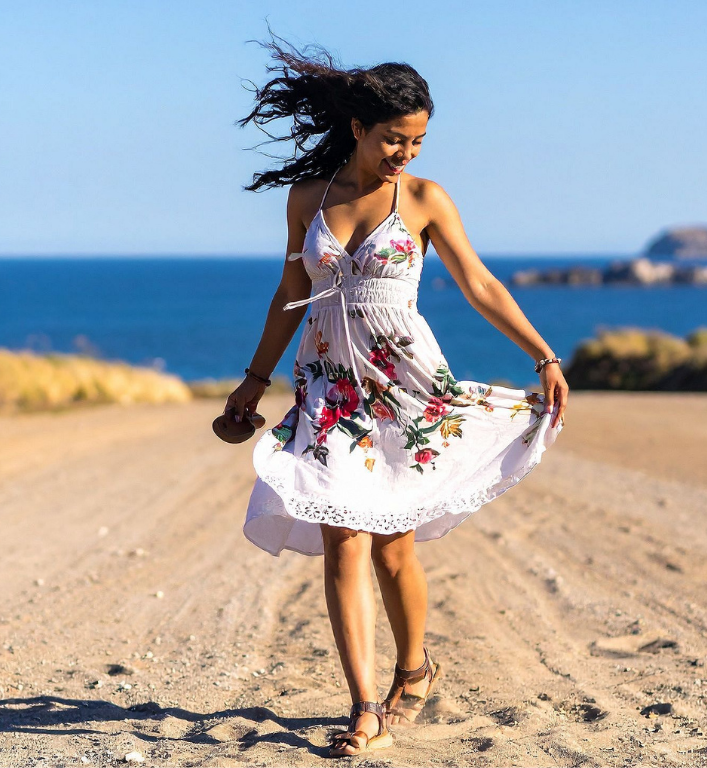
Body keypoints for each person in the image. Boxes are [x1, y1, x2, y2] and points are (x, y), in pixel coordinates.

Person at [225, 40, 568, 758]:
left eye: (416, 141)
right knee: (342, 542)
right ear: (356, 126)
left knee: (392, 551)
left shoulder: (423, 199)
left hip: (407, 389)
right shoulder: (307, 200)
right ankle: (364, 706)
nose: (403, 154)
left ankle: (415, 670)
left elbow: (480, 285)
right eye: (392, 139)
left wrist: (543, 355)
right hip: (329, 391)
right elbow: (292, 296)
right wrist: (254, 381)